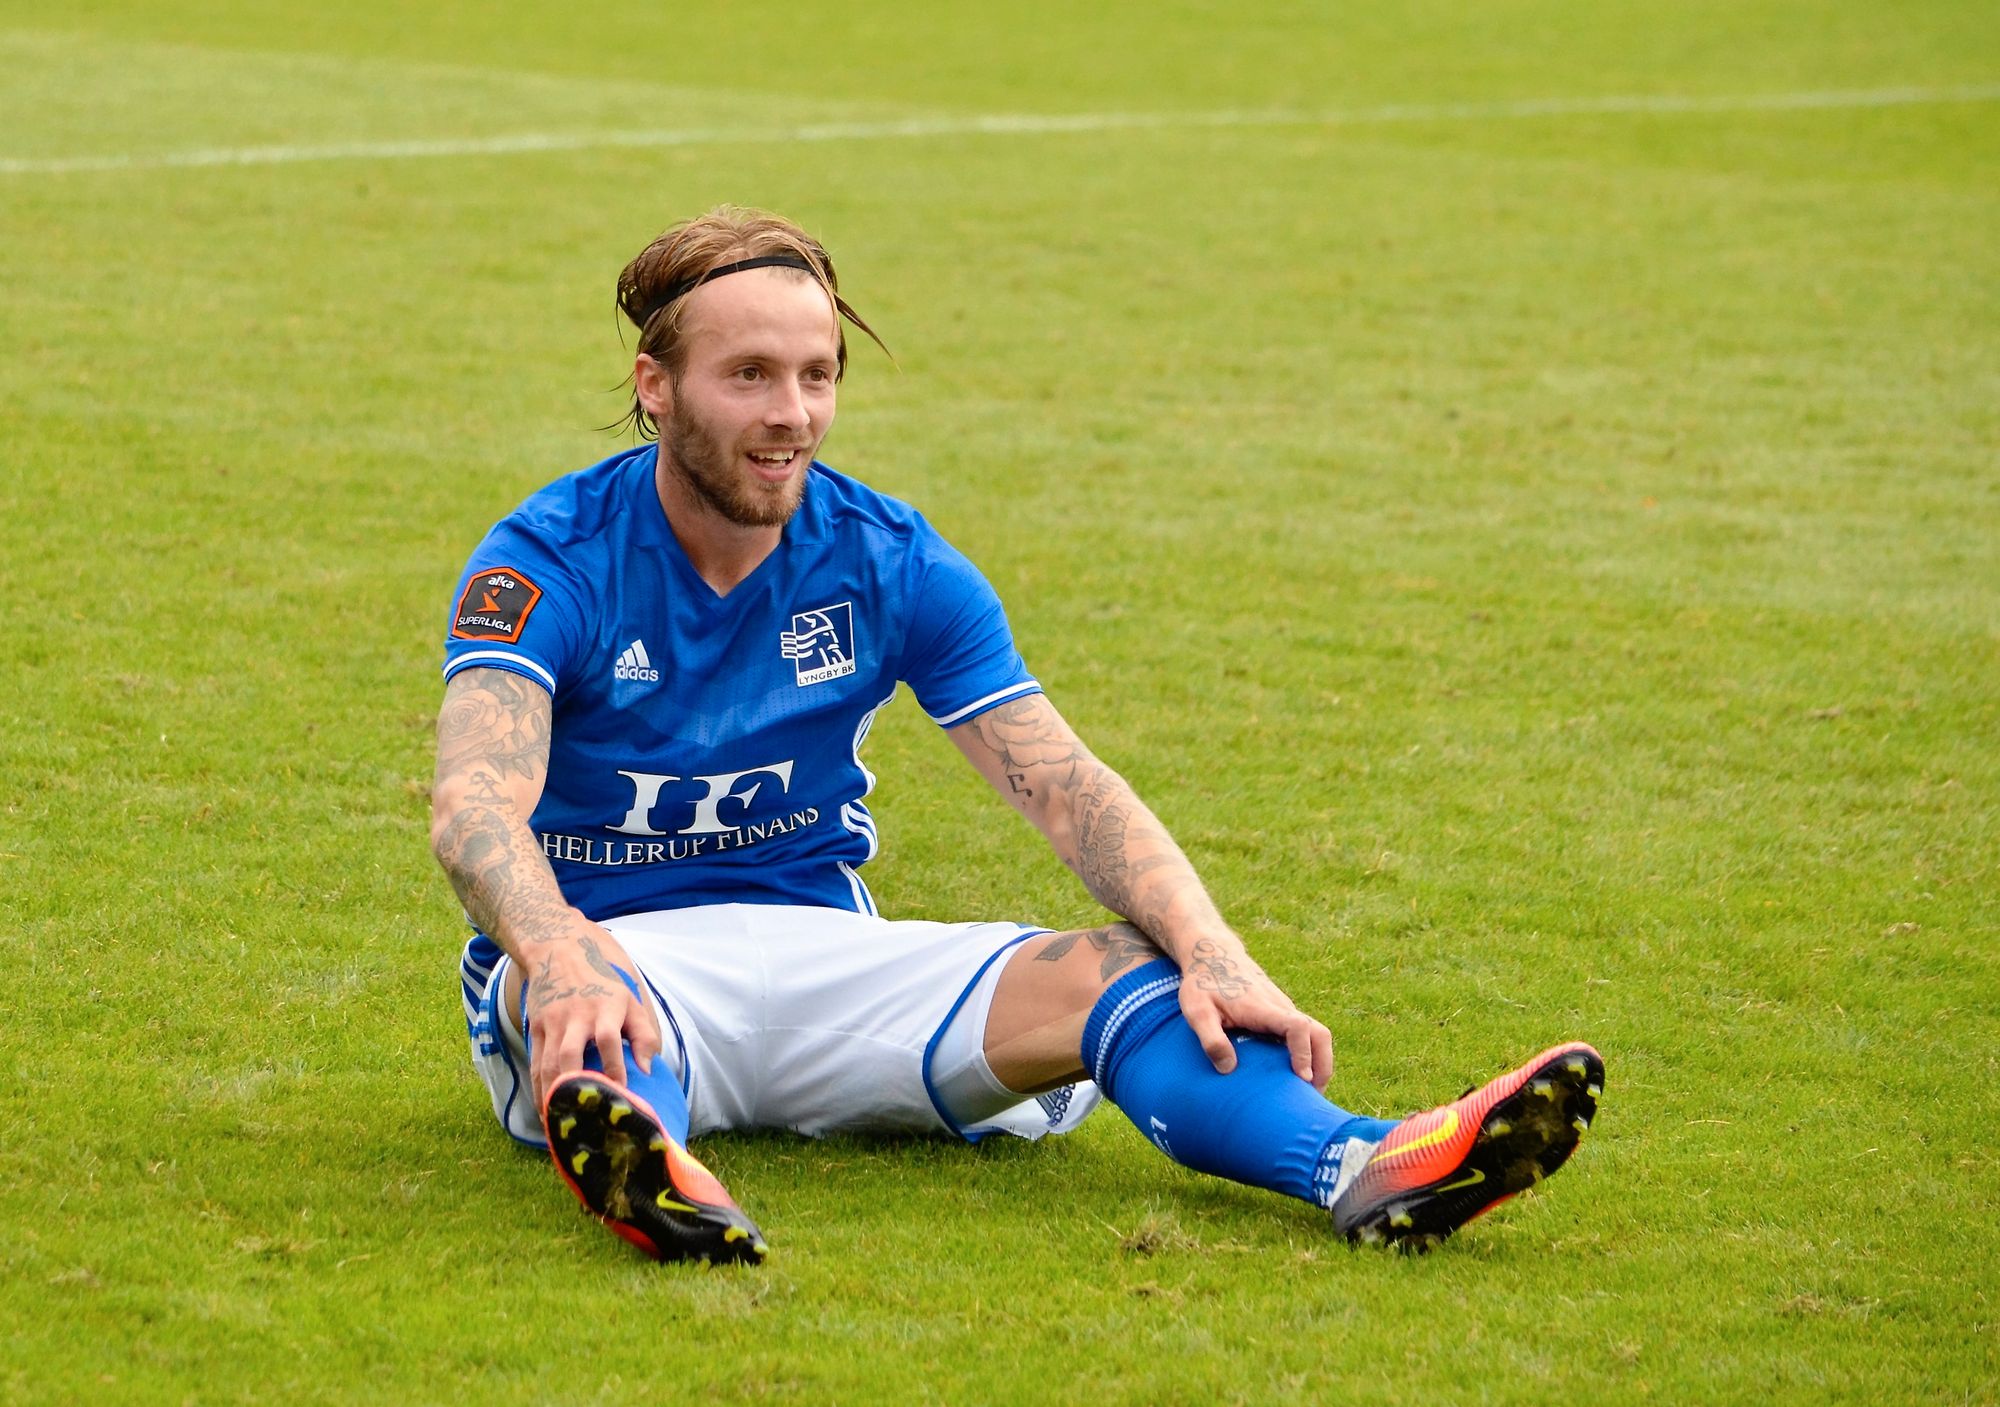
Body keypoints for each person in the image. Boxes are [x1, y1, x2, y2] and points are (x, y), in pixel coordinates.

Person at [430, 206, 1603, 1264]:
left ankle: (1362, 1164)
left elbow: (1061, 785)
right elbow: (474, 805)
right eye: (747, 375)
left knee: (1131, 972)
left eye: (815, 375)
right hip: (609, 958)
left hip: (822, 951)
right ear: (655, 384)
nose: (791, 414)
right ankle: (651, 1166)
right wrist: (562, 949)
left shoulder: (887, 558)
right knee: (585, 1015)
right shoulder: (548, 559)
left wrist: (1209, 946)